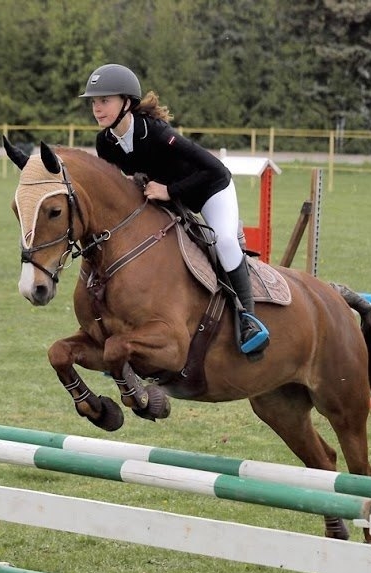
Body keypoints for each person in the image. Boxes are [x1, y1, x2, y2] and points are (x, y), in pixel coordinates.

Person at [79, 63, 269, 358]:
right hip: (166, 199)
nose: (97, 108)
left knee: (224, 241)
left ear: (127, 103)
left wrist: (170, 190)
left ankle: (248, 319)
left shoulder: (156, 132)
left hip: (209, 190)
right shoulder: (105, 143)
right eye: (94, 102)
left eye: (105, 100)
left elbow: (214, 169)